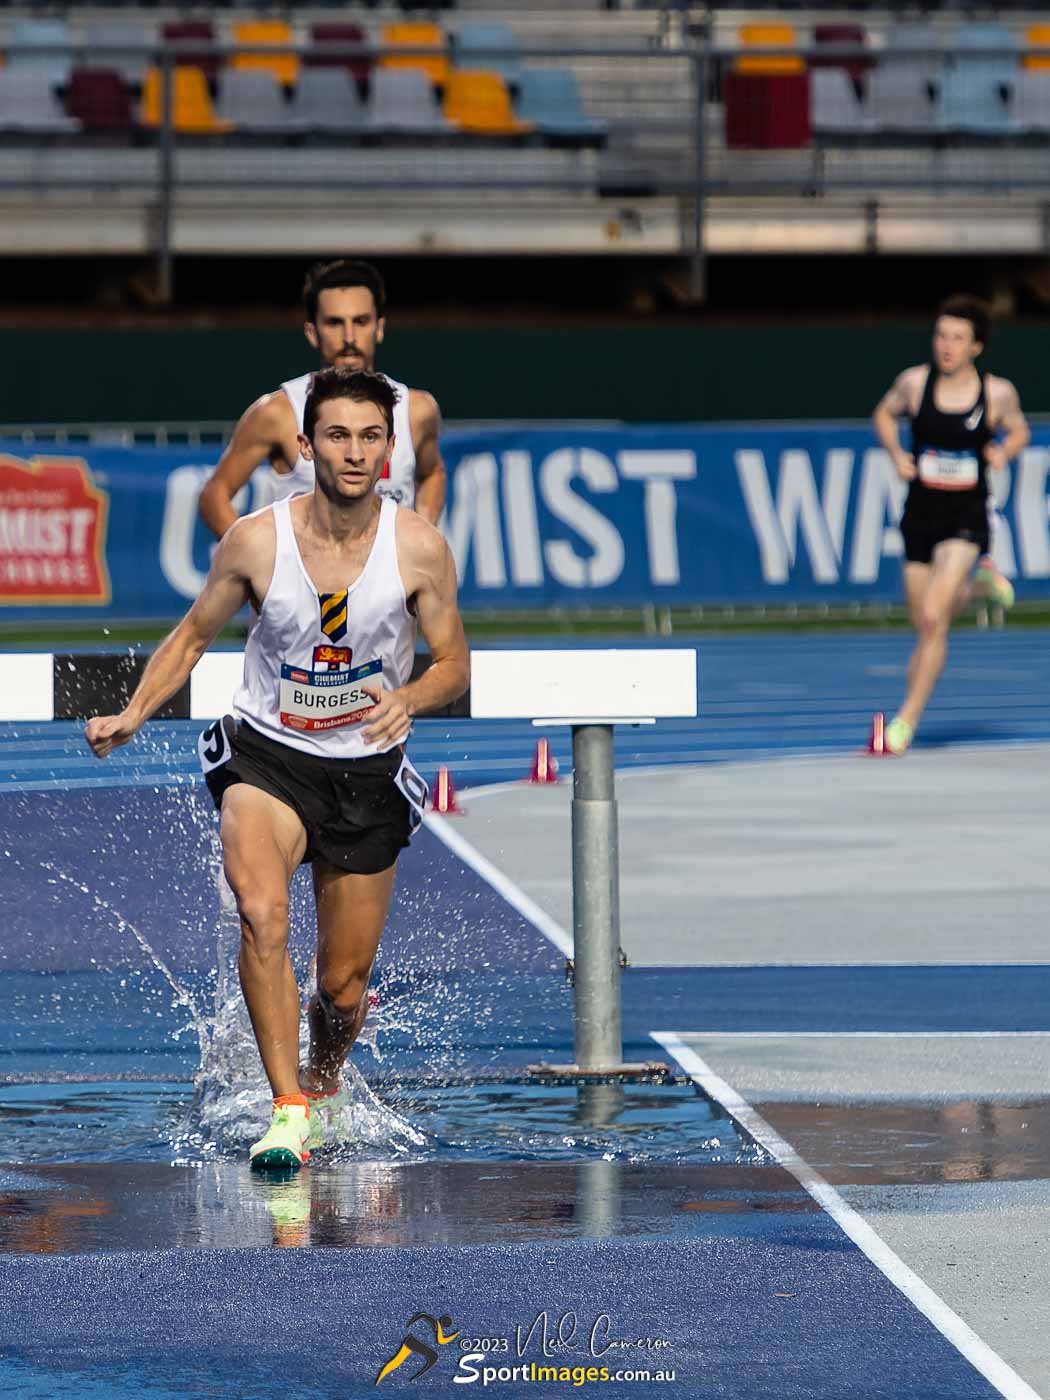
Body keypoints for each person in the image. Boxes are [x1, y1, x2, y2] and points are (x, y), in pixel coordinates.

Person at [87, 369, 469, 1171]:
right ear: (305, 446)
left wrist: (413, 697)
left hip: (366, 771)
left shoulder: (421, 549)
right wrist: (133, 712)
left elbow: (455, 664)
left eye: (370, 437)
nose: (354, 452)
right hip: (267, 757)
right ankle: (287, 1106)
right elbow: (192, 636)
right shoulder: (256, 540)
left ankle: (323, 1082)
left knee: (342, 989)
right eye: (337, 435)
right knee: (262, 912)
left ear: (389, 447)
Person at [871, 295, 1029, 755]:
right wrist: (897, 454)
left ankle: (904, 722)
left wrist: (1004, 451)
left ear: (976, 346)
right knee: (924, 621)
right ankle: (980, 586)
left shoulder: (996, 393)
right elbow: (882, 413)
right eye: (941, 335)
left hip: (966, 517)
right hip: (920, 515)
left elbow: (1019, 429)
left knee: (936, 617)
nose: (947, 346)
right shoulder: (915, 385)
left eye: (958, 338)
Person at [198, 259, 446, 535]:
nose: (349, 337)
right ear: (312, 332)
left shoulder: (417, 411)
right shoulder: (278, 413)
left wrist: (423, 537)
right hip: (306, 577)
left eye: (361, 321)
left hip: (391, 578)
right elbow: (214, 496)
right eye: (335, 323)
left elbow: (433, 472)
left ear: (379, 327)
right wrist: (261, 562)